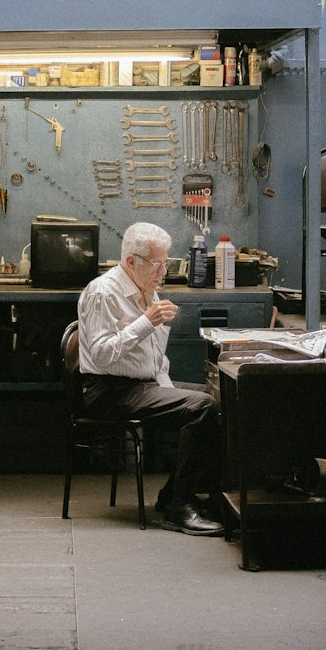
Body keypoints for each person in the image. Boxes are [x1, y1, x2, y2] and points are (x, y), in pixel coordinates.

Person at [76, 222, 224, 536]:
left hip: (141, 384)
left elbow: (154, 356)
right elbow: (101, 355)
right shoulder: (103, 292)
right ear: (131, 261)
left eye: (165, 264)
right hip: (108, 391)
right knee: (202, 407)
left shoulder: (146, 290)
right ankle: (178, 506)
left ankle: (187, 494)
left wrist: (166, 390)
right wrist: (146, 322)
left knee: (221, 397)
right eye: (158, 265)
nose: (163, 272)